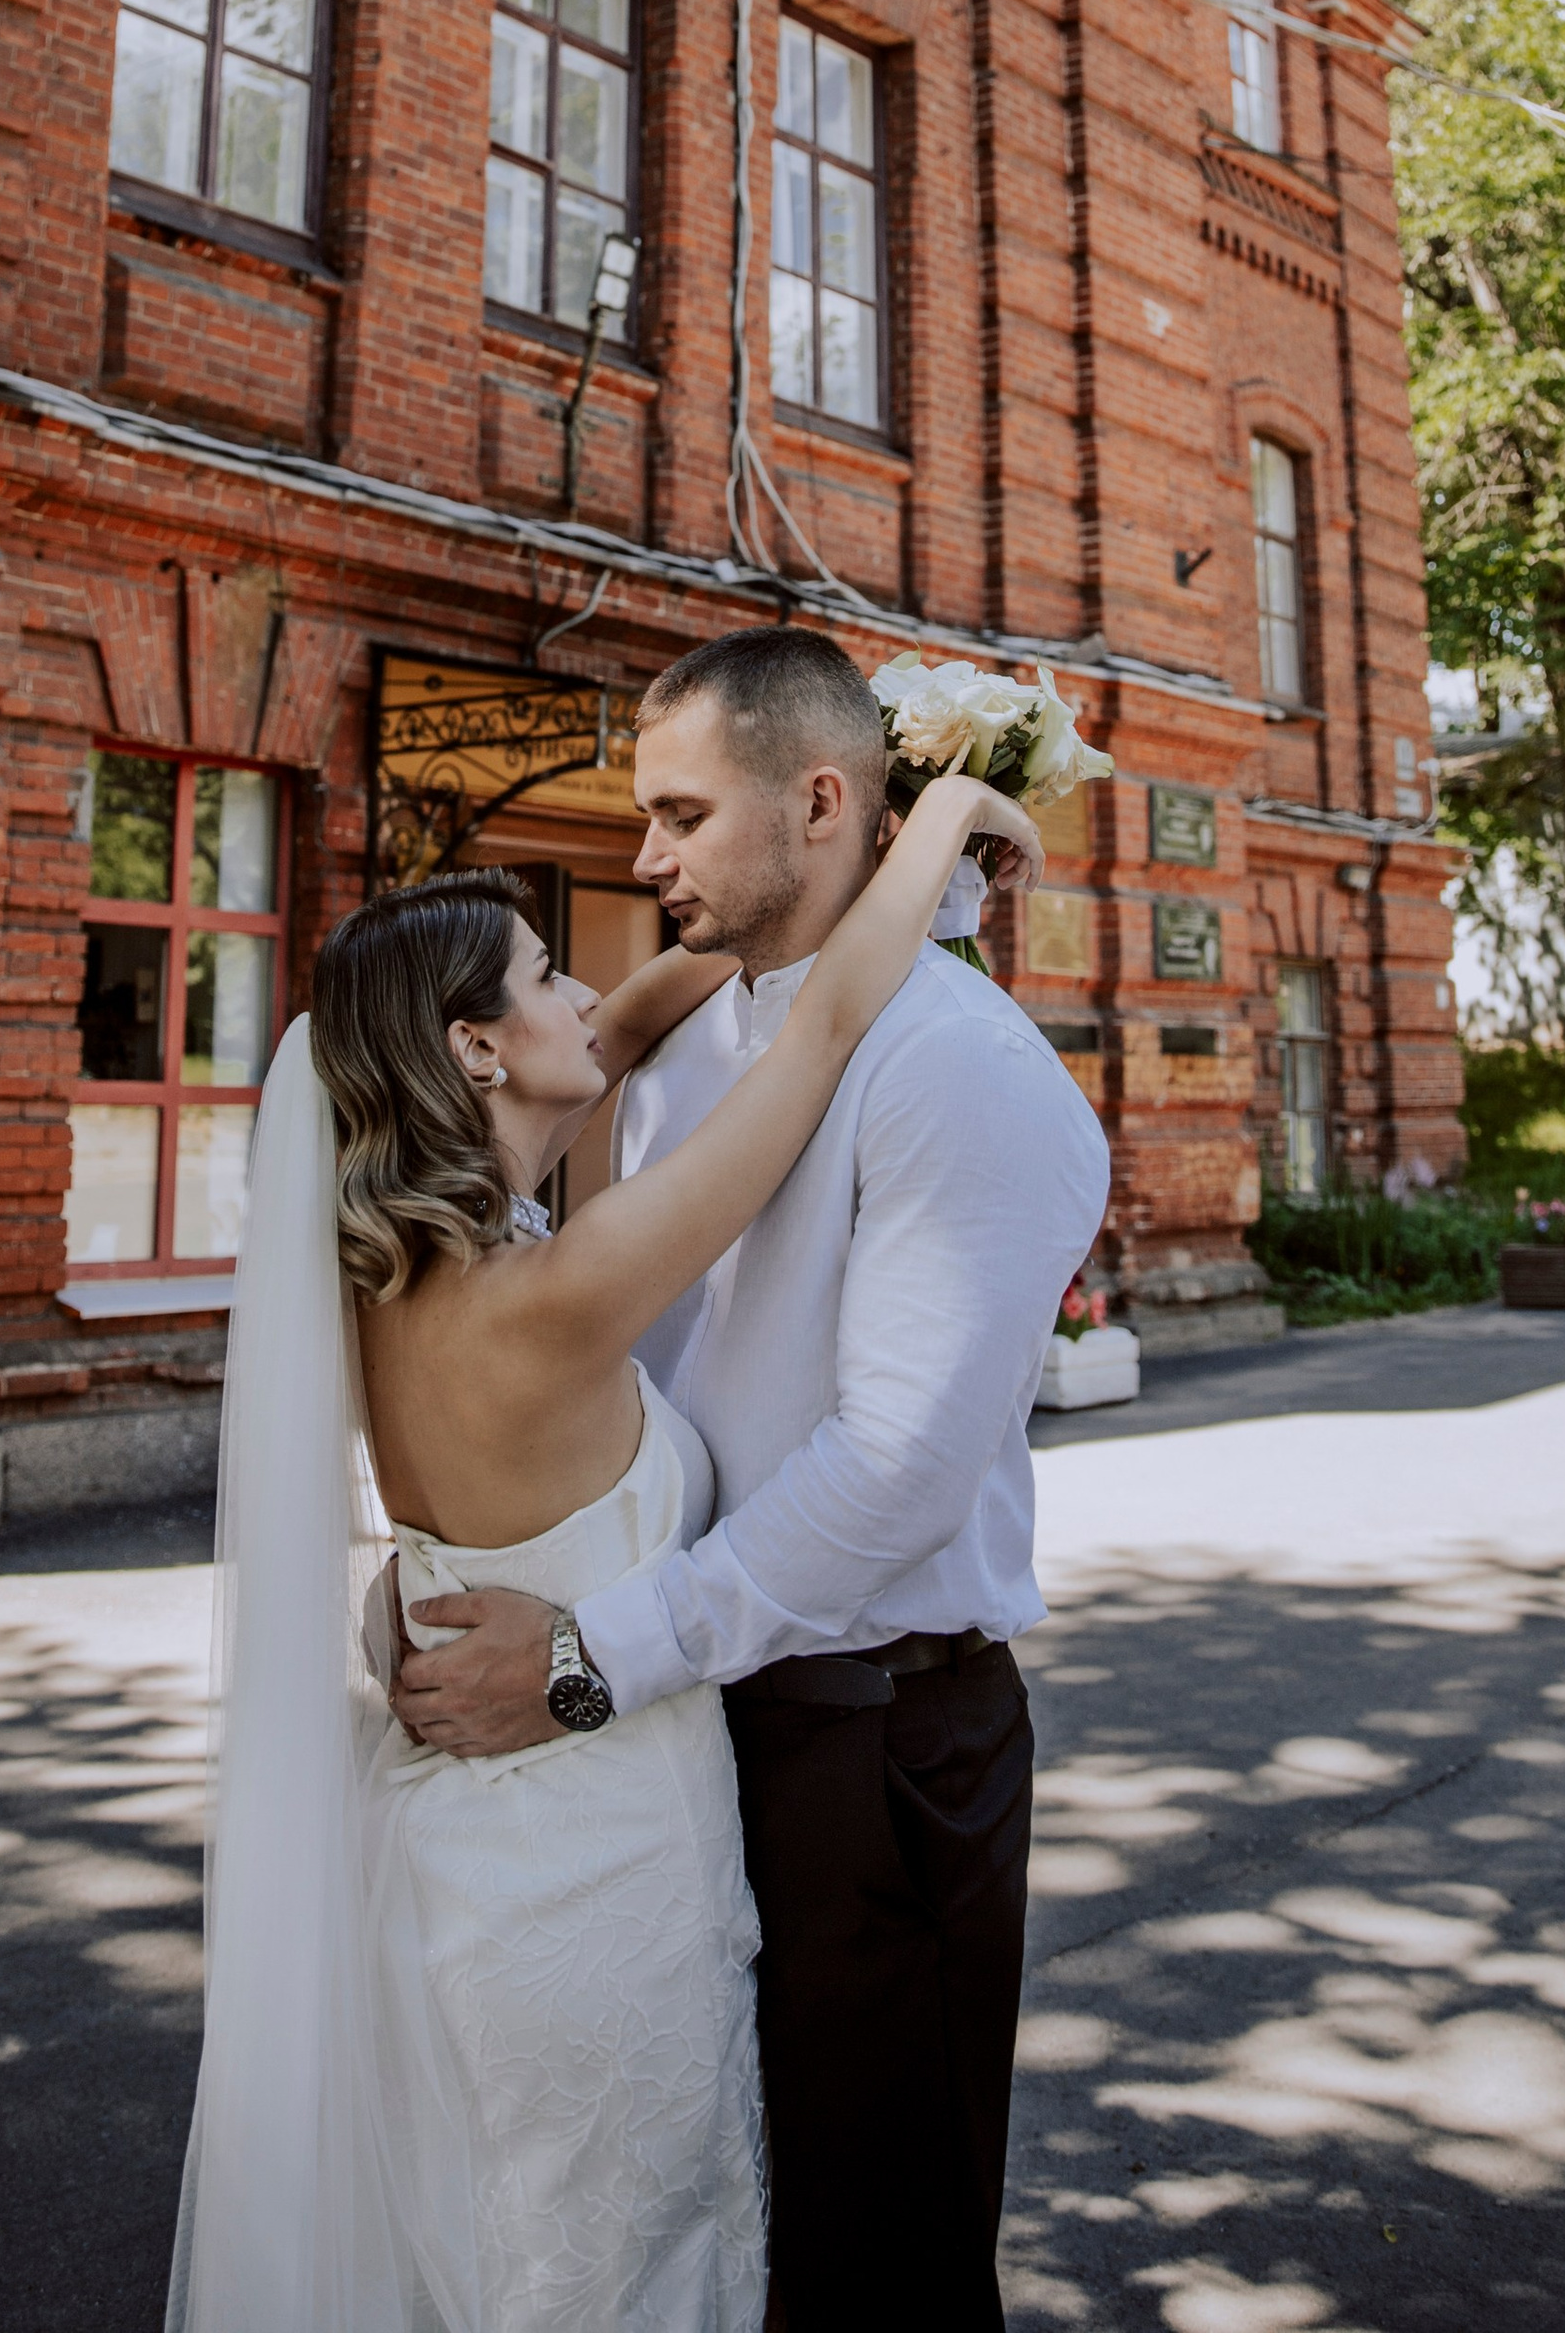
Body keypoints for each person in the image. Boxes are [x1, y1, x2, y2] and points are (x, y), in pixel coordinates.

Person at [165, 731, 1044, 2333]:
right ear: (479, 1053)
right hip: (585, 1871)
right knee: (608, 2269)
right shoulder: (555, 1293)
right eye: (545, 976)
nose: (593, 988)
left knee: (517, 2253)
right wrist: (957, 820)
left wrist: (801, 867)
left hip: (464, 1841)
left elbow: (647, 1009)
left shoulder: (404, 1272)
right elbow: (834, 1020)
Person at [394, 625, 1116, 2332]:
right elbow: (649, 1376)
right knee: (732, 2220)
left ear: (816, 800)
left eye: (677, 815)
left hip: (871, 1744)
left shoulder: (960, 1068)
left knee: (880, 2251)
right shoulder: (701, 1042)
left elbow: (893, 1474)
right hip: (691, 1716)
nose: (640, 861)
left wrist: (587, 1660)